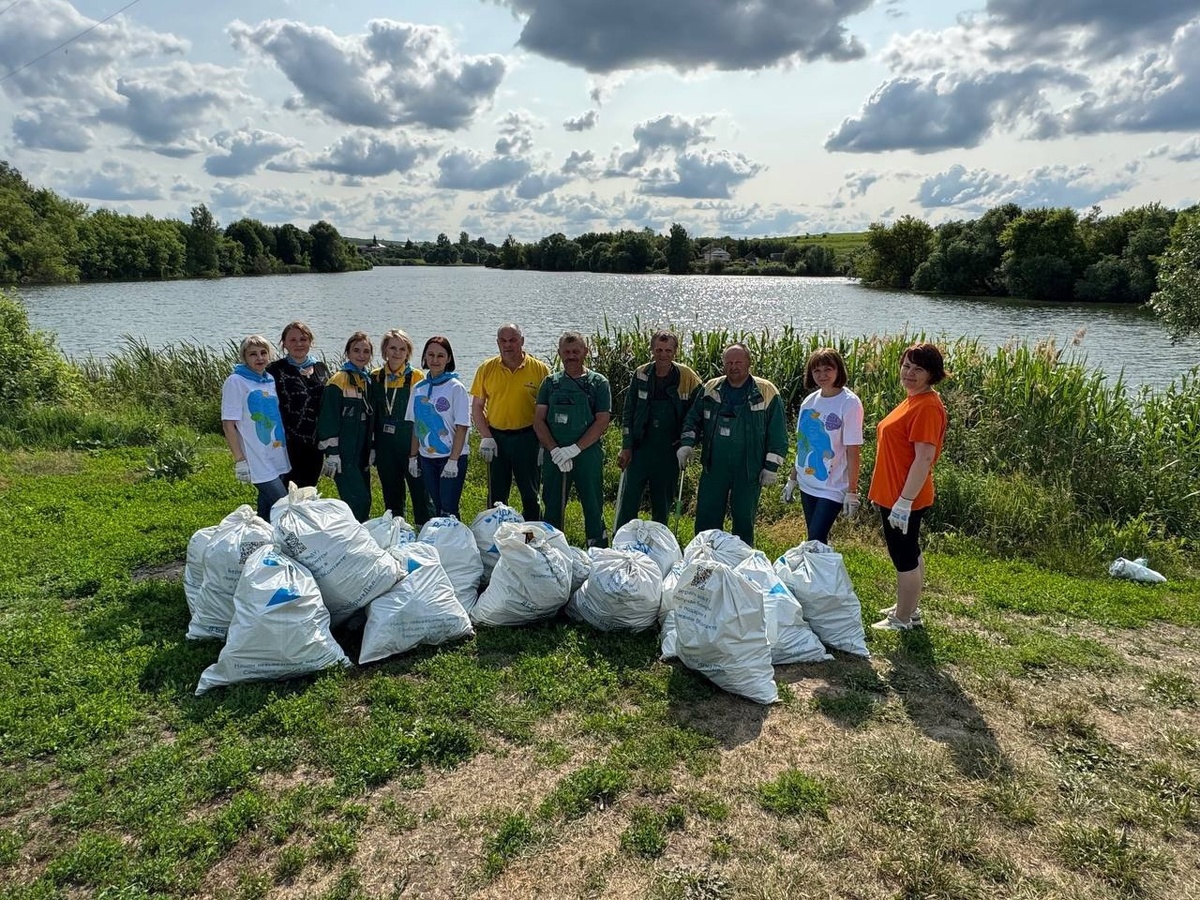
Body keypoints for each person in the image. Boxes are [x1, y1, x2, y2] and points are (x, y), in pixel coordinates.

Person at [867, 342, 948, 631]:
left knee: (903, 555)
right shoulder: (913, 398)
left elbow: (924, 457)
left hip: (906, 495)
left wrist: (904, 501)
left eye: (919, 368)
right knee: (909, 550)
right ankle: (909, 608)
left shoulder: (927, 407)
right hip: (894, 493)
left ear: (932, 374)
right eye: (906, 366)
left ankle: (902, 618)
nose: (910, 373)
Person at [677, 342, 787, 546]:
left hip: (748, 469)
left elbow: (778, 434)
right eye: (729, 362)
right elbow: (693, 419)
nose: (733, 367)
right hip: (713, 467)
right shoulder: (710, 388)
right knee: (706, 517)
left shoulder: (766, 390)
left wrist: (771, 467)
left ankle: (741, 561)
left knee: (743, 519)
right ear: (723, 364)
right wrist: (687, 444)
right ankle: (704, 558)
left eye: (738, 362)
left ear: (749, 363)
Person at [614, 330, 703, 530]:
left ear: (675, 352)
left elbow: (698, 411)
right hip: (640, 448)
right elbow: (628, 411)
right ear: (652, 350)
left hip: (669, 451)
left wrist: (688, 444)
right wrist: (626, 446)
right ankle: (622, 540)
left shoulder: (687, 376)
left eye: (668, 350)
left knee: (662, 504)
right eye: (659, 350)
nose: (663, 354)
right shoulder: (641, 373)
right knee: (629, 500)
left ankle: (659, 544)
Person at [533, 331, 612, 547]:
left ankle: (598, 551)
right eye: (566, 352)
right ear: (559, 353)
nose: (571, 356)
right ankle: (551, 550)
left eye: (576, 351)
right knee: (552, 505)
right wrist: (555, 450)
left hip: (587, 455)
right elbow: (539, 420)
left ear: (585, 352)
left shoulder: (598, 383)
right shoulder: (550, 384)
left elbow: (602, 421)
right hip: (555, 456)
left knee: (593, 505)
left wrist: (575, 449)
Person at [783, 348, 864, 544]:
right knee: (815, 540)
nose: (822, 375)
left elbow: (853, 450)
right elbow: (803, 443)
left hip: (832, 486)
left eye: (828, 369)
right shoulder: (809, 402)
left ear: (838, 370)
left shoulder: (849, 403)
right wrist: (792, 478)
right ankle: (818, 573)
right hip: (807, 482)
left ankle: (822, 572)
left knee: (816, 538)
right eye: (816, 371)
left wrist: (852, 491)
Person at [470, 323, 551, 519]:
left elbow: (548, 409)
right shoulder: (486, 368)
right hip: (496, 438)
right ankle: (494, 535)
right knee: (496, 495)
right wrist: (485, 437)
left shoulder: (540, 369)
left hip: (528, 438)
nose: (508, 345)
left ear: (522, 341)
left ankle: (532, 533)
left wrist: (543, 444)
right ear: (497, 343)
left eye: (513, 340)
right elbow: (477, 407)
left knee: (530, 494)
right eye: (503, 341)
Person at [221, 335, 290, 521]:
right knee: (284, 505)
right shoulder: (236, 381)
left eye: (263, 353)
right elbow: (229, 424)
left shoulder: (269, 380)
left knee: (267, 507)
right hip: (255, 456)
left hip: (276, 451)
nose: (259, 358)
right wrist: (239, 460)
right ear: (244, 357)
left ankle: (263, 539)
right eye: (253, 354)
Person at [370, 329, 434, 526]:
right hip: (385, 445)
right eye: (392, 348)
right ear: (385, 351)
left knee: (420, 492)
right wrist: (372, 446)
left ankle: (425, 531)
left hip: (410, 443)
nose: (397, 353)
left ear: (408, 352)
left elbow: (424, 416)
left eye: (402, 349)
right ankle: (396, 530)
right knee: (391, 492)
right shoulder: (375, 377)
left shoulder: (417, 377)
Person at [406, 335, 471, 518]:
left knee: (449, 508)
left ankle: (455, 543)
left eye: (441, 355)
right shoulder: (418, 387)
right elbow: (416, 425)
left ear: (449, 358)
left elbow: (462, 427)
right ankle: (441, 542)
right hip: (427, 458)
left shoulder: (455, 388)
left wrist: (453, 461)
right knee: (437, 506)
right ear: (425, 357)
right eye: (431, 355)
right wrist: (413, 457)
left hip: (449, 457)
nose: (435, 360)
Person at [317, 332, 375, 522]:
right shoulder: (337, 381)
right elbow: (328, 419)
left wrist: (372, 447)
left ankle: (357, 535)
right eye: (356, 350)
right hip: (343, 452)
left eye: (366, 351)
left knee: (365, 498)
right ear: (347, 353)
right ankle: (353, 538)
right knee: (358, 500)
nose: (361, 355)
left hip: (361, 453)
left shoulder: (366, 380)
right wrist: (332, 453)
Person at [266, 321, 329, 488]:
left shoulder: (321, 368)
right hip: (287, 442)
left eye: (303, 339)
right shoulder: (274, 370)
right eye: (293, 340)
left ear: (310, 342)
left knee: (309, 489)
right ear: (284, 343)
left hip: (316, 443)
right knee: (286, 489)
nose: (299, 344)